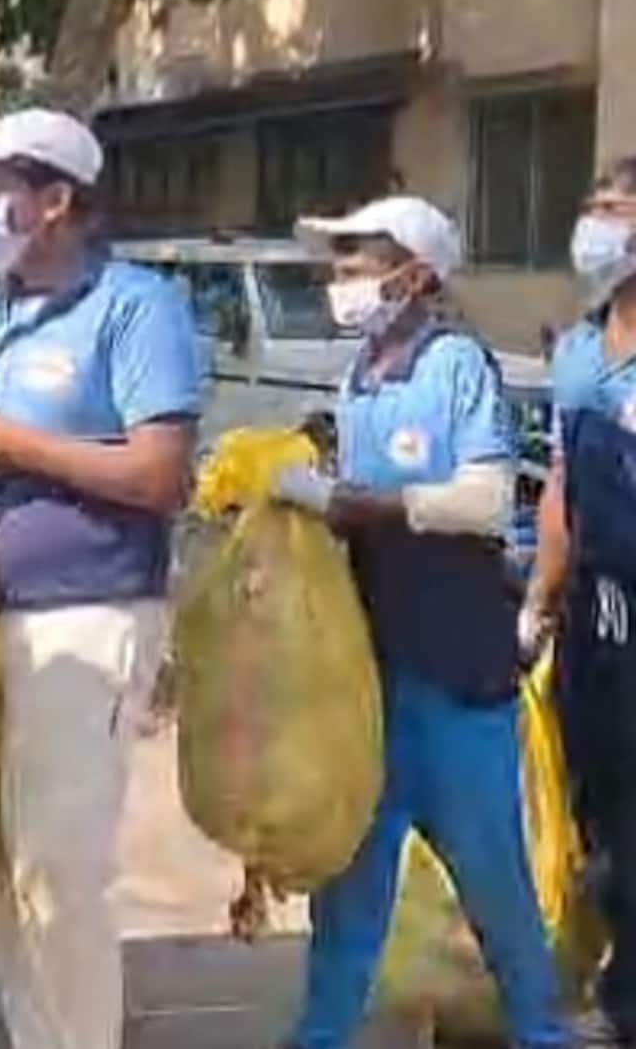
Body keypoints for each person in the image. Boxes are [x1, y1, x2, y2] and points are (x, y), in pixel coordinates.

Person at [0, 108, 197, 1049]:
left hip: (93, 609)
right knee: (1, 864)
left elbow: (160, 475)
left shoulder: (135, 306)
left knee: (59, 868)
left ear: (59, 200)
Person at [270, 196, 566, 1049]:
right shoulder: (360, 373)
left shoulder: (456, 366)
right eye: (343, 263)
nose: (346, 279)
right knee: (348, 886)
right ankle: (318, 1035)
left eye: (362, 261)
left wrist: (356, 502)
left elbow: (481, 499)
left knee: (494, 883)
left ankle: (539, 1028)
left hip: (458, 675)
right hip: (372, 677)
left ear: (418, 273)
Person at [533, 157, 636, 1046]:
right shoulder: (577, 349)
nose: (598, 227)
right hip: (595, 614)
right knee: (597, 801)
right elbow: (562, 482)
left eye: (618, 210)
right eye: (593, 206)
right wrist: (538, 598)